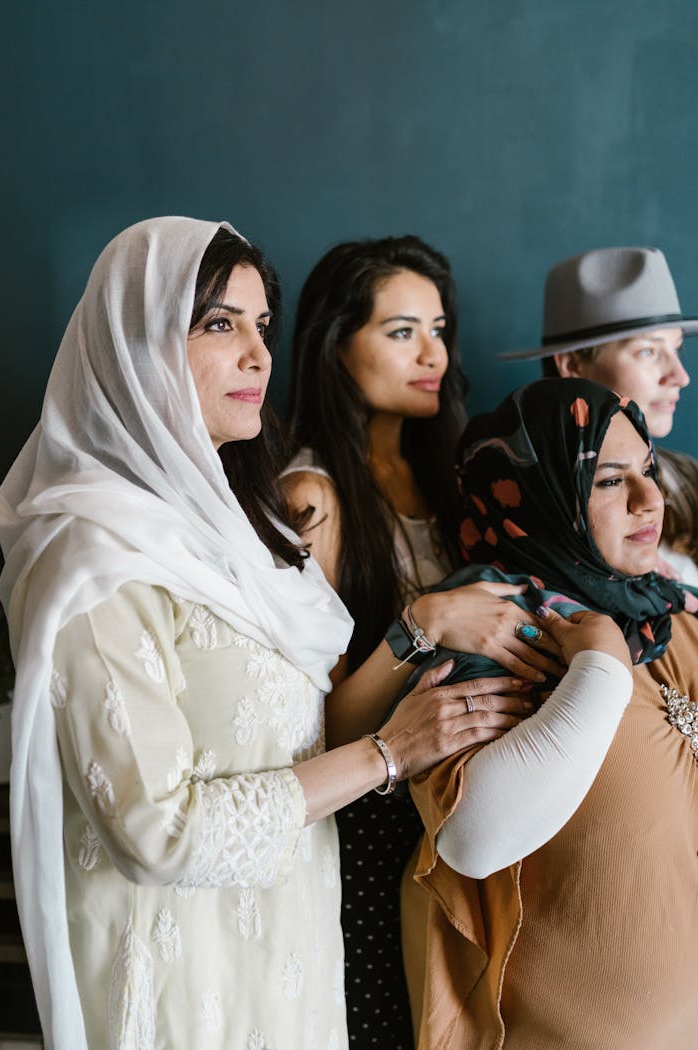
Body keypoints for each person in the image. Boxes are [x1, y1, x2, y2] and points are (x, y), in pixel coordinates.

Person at [0, 217, 535, 1050]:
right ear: (135, 344)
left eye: (261, 327)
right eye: (220, 323)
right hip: (182, 991)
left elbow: (292, 736)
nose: (257, 355)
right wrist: (388, 755)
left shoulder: (239, 539)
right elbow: (157, 830)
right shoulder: (90, 554)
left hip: (290, 965)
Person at [282, 236, 562, 1048]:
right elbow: (317, 731)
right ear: (337, 346)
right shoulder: (313, 497)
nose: (433, 354)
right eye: (402, 332)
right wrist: (424, 626)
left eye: (439, 329)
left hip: (481, 810)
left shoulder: (455, 476)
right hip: (375, 833)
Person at [400, 377, 698, 1049]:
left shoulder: (669, 615)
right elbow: (473, 840)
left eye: (648, 471)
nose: (652, 499)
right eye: (610, 481)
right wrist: (598, 670)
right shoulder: (499, 635)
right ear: (542, 502)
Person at [501, 245, 698, 582]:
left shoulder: (687, 478)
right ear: (573, 365)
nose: (680, 376)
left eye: (676, 349)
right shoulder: (517, 501)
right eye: (648, 351)